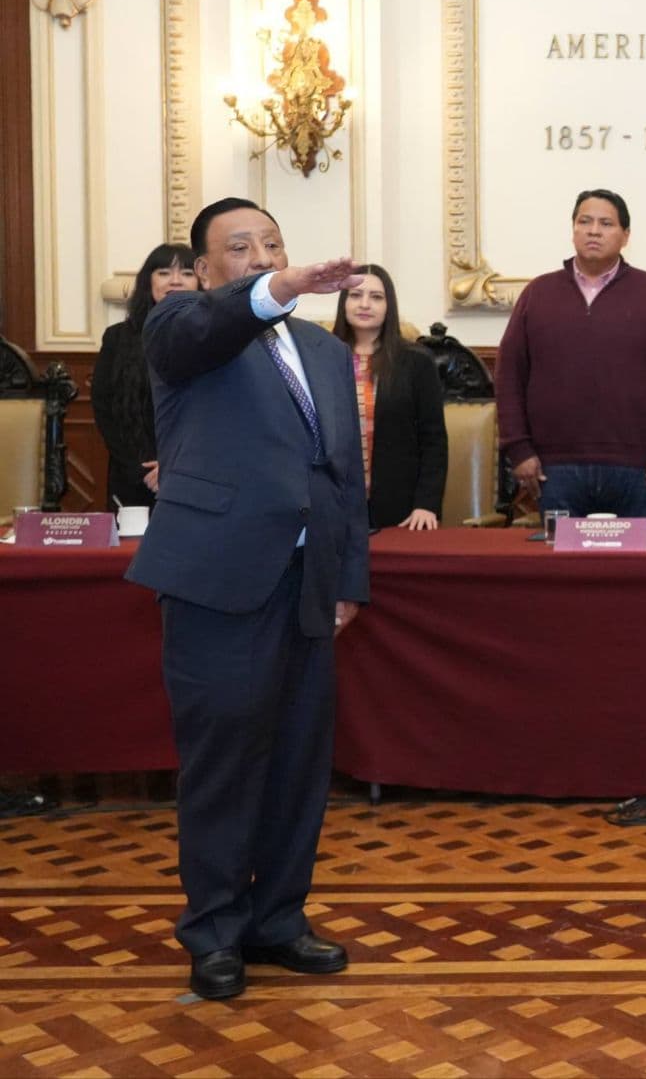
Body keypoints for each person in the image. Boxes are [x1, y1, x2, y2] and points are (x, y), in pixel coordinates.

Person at [124, 197, 370, 1002]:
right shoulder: (181, 329)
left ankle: (277, 920)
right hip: (218, 583)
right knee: (224, 766)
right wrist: (277, 285)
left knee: (300, 763)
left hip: (308, 585)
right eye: (240, 247)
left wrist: (347, 580)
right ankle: (216, 931)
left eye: (273, 242)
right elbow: (206, 329)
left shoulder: (324, 353)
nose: (263, 255)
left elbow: (345, 480)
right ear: (201, 269)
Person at [497, 190, 646, 526]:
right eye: (585, 221)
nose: (594, 230)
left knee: (633, 574)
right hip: (554, 469)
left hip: (638, 468)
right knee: (563, 575)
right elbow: (508, 377)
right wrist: (519, 450)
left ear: (625, 236)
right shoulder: (538, 293)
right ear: (573, 230)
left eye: (606, 223)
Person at [333, 265, 449, 530]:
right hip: (334, 505)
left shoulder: (416, 361)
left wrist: (427, 503)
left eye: (376, 297)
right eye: (355, 295)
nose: (364, 304)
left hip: (401, 509)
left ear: (389, 306)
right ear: (343, 302)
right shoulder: (321, 356)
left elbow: (434, 440)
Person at [92, 243, 197, 509]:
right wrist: (141, 469)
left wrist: (174, 465)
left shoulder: (215, 336)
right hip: (133, 476)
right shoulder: (118, 337)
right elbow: (104, 410)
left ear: (201, 281)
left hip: (198, 473)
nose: (175, 280)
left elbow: (219, 412)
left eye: (186, 273)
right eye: (164, 272)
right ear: (148, 281)